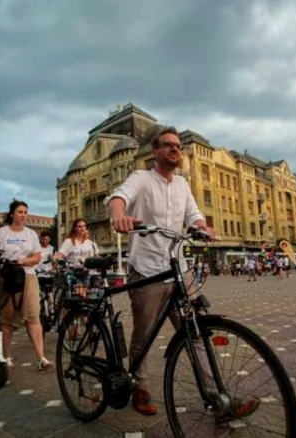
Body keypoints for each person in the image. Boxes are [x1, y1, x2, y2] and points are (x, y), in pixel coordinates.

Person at [106, 125, 258, 419]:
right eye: (169, 145)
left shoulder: (183, 185)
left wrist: (203, 227)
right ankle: (139, 386)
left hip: (178, 268)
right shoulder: (142, 178)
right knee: (143, 334)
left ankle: (219, 397)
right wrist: (118, 216)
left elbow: (193, 214)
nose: (176, 149)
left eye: (178, 146)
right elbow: (118, 197)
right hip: (147, 269)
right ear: (156, 151)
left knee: (195, 332)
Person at [0, 200, 52, 371]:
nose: (24, 215)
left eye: (25, 212)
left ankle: (41, 358)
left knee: (33, 316)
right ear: (12, 214)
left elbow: (36, 257)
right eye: (20, 212)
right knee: (6, 320)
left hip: (28, 276)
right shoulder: (0, 234)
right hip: (5, 277)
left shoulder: (31, 234)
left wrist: (23, 261)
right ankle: (6, 356)